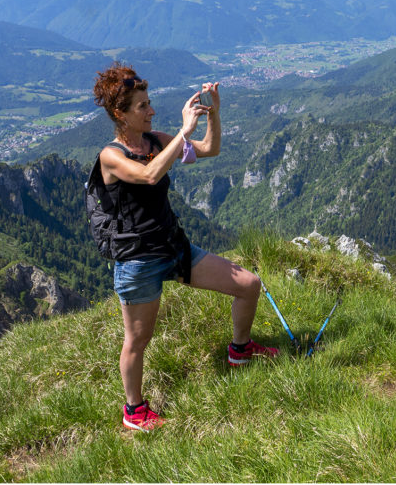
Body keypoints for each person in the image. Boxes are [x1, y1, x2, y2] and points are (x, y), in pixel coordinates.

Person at [92, 62, 278, 432]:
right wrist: (182, 131)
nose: (151, 110)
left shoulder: (155, 141)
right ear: (120, 114)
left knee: (249, 285)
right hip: (138, 261)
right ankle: (135, 411)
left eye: (149, 103)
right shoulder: (111, 156)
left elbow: (210, 148)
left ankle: (240, 351)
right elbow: (148, 175)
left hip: (173, 246)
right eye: (142, 106)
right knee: (139, 338)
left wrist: (215, 113)